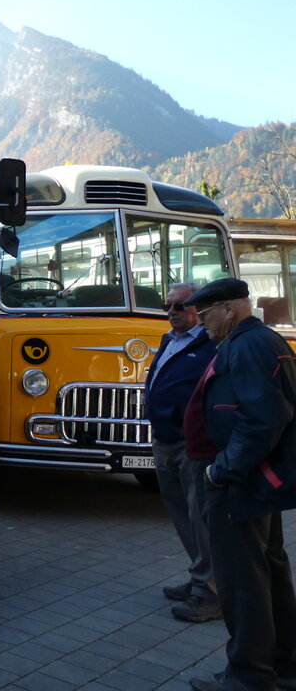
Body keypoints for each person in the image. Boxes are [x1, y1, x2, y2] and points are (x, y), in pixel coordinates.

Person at [183, 278, 296, 691]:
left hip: (241, 481)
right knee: (268, 571)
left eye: (207, 315)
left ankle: (250, 676)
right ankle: (283, 666)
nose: (202, 324)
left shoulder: (247, 345)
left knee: (243, 581)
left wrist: (221, 470)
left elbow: (263, 418)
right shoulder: (257, 340)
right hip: (255, 479)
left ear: (230, 309)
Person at [145, 282, 220, 622]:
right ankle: (199, 577)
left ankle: (212, 593)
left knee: (200, 518)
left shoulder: (212, 345)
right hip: (164, 441)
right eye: (168, 306)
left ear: (199, 309)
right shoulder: (169, 340)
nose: (172, 312)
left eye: (181, 306)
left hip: (192, 444)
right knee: (181, 515)